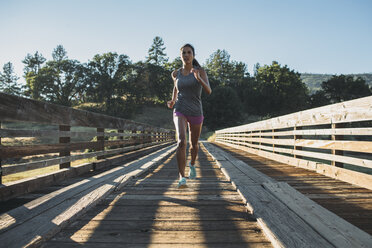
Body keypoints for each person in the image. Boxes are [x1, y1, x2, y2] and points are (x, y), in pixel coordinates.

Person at [167, 44, 212, 188]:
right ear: (180, 56)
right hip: (180, 109)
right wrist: (173, 100)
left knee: (194, 145)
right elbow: (176, 87)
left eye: (189, 52)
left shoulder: (200, 71)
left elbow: (208, 91)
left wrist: (198, 78)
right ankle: (182, 176)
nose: (186, 55)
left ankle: (192, 164)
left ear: (193, 55)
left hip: (196, 111)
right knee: (181, 142)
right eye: (184, 53)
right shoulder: (176, 73)